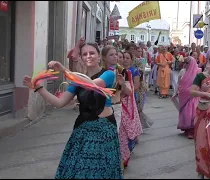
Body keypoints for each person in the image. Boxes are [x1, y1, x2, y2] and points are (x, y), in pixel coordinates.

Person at [23, 43, 124, 179]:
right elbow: (59, 103)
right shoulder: (76, 81)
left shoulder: (108, 74)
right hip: (83, 130)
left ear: (99, 56)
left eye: (92, 53)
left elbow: (92, 84)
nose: (89, 56)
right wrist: (38, 88)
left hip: (103, 130)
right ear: (81, 58)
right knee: (78, 171)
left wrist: (65, 71)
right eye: (84, 54)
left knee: (102, 171)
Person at [119, 51, 143, 168]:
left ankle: (127, 151)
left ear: (131, 60)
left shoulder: (133, 71)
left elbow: (136, 85)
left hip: (131, 100)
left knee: (131, 125)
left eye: (127, 58)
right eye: (123, 57)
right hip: (121, 104)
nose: (125, 60)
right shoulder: (119, 72)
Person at [177, 57, 201, 139]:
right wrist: (178, 91)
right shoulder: (183, 71)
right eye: (185, 62)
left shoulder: (198, 72)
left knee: (191, 114)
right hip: (183, 95)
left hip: (193, 97)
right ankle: (186, 130)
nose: (185, 64)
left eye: (187, 63)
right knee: (185, 113)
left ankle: (191, 131)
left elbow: (200, 84)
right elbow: (179, 83)